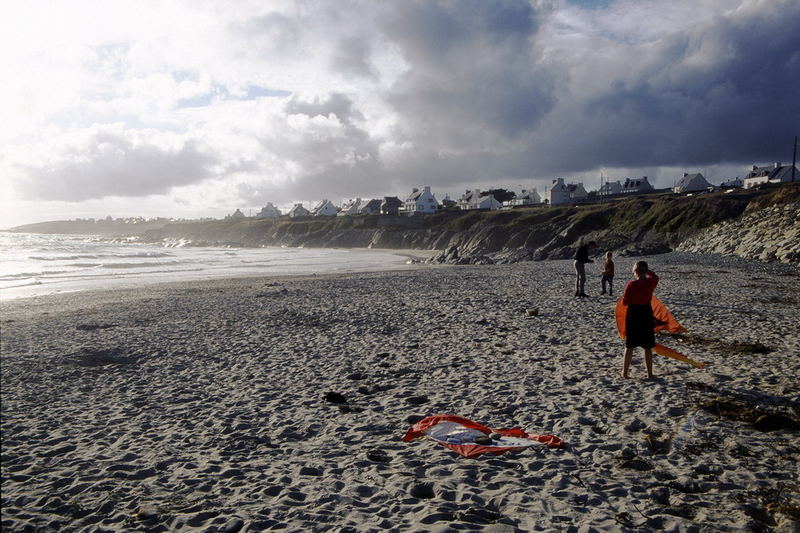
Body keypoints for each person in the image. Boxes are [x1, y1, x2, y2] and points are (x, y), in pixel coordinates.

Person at [621, 261, 659, 379]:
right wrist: (648, 272)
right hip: (646, 313)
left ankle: (625, 373)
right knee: (648, 346)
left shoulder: (631, 285)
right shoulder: (650, 282)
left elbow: (625, 302)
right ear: (646, 271)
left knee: (630, 345)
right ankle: (650, 373)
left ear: (635, 272)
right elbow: (656, 277)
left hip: (634, 314)